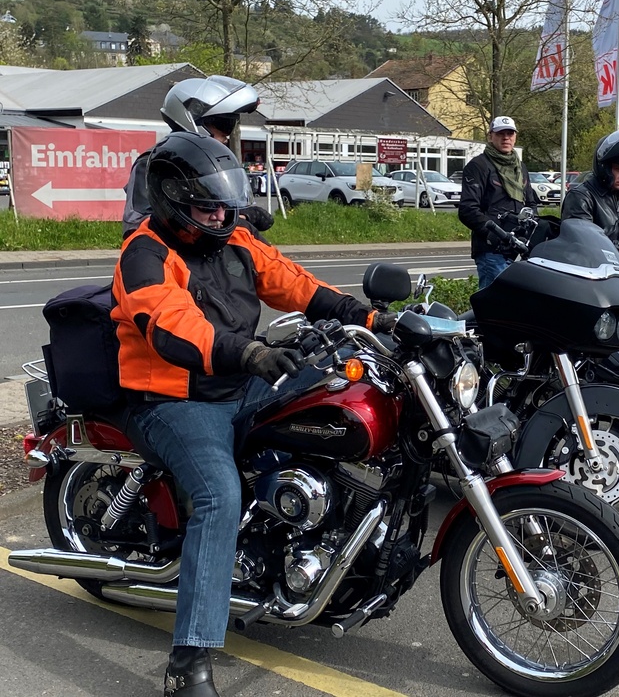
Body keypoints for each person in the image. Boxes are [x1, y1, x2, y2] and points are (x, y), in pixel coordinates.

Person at [111, 131, 396, 696]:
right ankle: (188, 663)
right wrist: (248, 352)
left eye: (225, 204)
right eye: (207, 206)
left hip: (237, 384)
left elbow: (294, 283)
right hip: (173, 396)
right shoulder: (144, 254)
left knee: (329, 410)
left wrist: (366, 318)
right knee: (219, 496)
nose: (220, 214)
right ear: (170, 196)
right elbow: (173, 327)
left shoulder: (233, 240)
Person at [123, 75, 273, 239]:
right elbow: (136, 225)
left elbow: (222, 212)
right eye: (224, 124)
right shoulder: (155, 163)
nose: (227, 135)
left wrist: (240, 215)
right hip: (172, 259)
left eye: (232, 124)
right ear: (194, 120)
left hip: (212, 256)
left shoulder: (213, 165)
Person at [458, 116, 538, 288]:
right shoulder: (478, 166)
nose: (506, 138)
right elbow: (467, 209)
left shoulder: (520, 167)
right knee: (494, 307)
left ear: (515, 136)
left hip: (518, 248)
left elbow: (531, 204)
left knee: (513, 307)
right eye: (501, 133)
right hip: (491, 250)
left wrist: (532, 230)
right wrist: (493, 234)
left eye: (510, 133)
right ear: (490, 136)